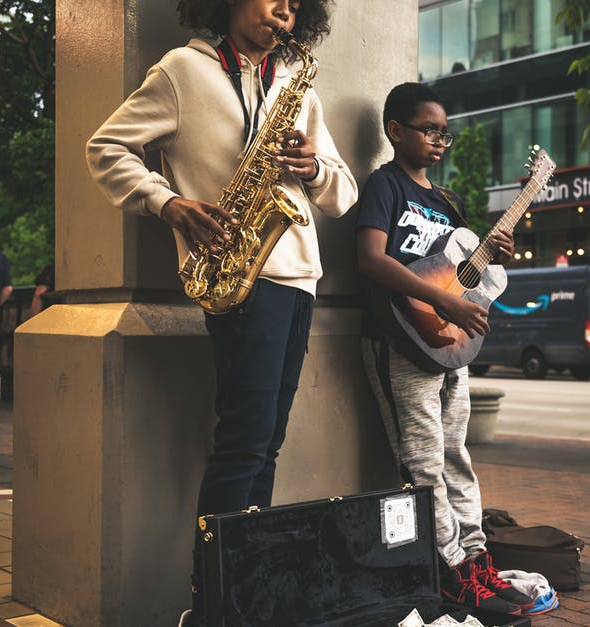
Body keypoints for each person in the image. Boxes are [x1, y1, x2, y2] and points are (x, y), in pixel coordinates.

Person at [83, 2, 357, 625]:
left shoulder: (297, 79)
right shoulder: (184, 70)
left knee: (267, 445)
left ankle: (245, 593)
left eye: (295, 2)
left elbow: (344, 193)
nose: (284, 10)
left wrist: (313, 168)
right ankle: (210, 603)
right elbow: (106, 149)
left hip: (298, 280)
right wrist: (168, 203)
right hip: (239, 278)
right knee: (243, 445)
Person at [356, 82, 533, 615]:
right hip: (399, 341)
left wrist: (493, 251)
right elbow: (370, 261)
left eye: (444, 133)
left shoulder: (447, 201)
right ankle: (449, 572)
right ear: (396, 131)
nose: (438, 140)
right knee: (424, 463)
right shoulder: (384, 186)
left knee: (457, 456)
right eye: (429, 129)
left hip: (450, 345)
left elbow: (464, 273)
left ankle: (477, 563)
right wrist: (443, 302)